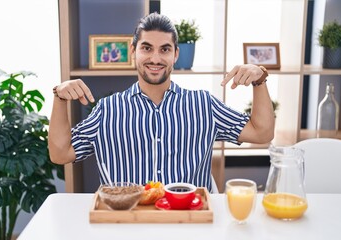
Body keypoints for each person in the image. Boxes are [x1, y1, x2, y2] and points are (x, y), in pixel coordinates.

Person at [48, 13, 275, 192]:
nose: (155, 58)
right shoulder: (107, 110)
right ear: (133, 51)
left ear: (175, 54)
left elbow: (261, 133)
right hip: (125, 224)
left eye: (164, 49)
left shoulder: (204, 105)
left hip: (189, 222)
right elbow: (60, 154)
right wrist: (59, 97)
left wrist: (260, 79)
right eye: (147, 48)